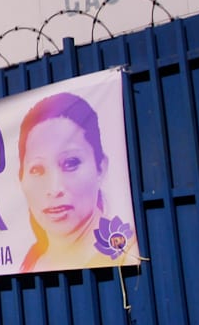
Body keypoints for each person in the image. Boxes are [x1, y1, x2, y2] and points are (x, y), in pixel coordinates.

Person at [17, 91, 135, 272]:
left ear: (101, 168)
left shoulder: (129, 252)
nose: (55, 189)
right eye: (37, 170)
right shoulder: (29, 263)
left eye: (70, 163)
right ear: (21, 179)